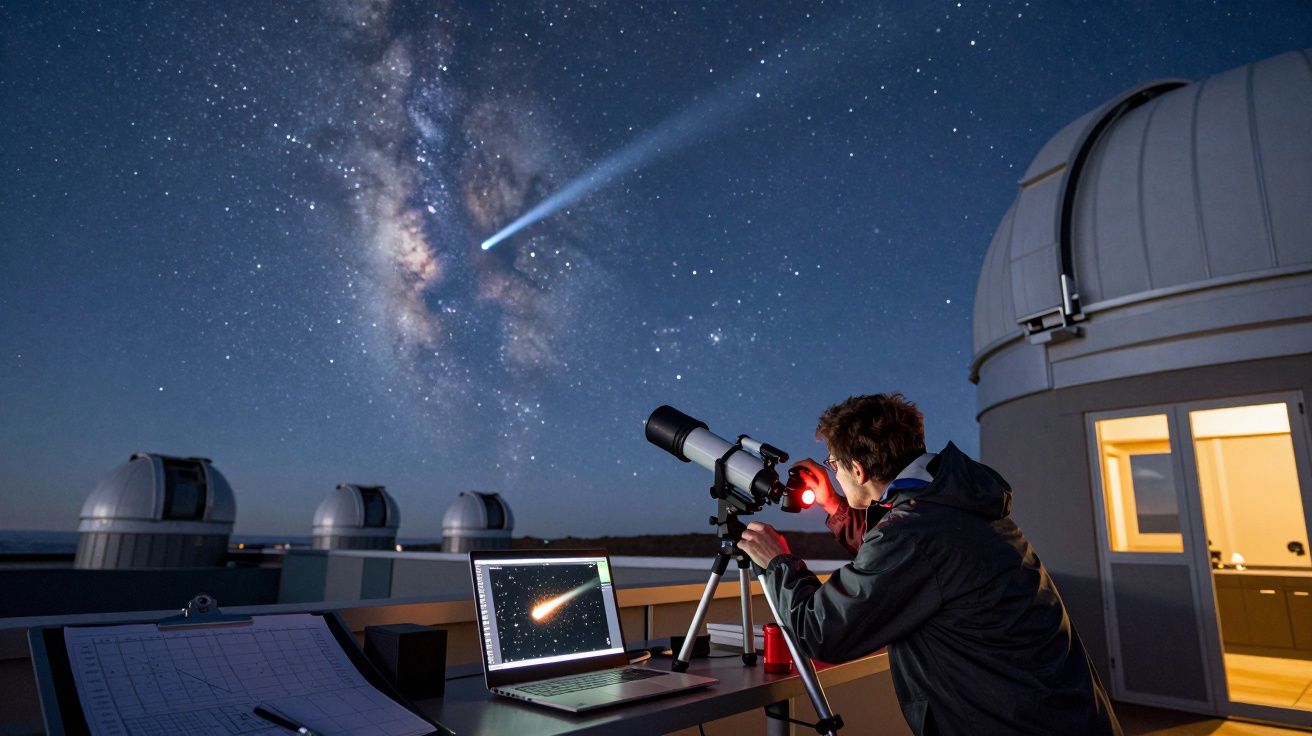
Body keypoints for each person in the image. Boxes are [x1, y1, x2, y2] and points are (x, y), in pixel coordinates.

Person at [736, 393, 1121, 736]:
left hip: (1011, 721)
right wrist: (834, 505)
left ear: (858, 470)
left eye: (834, 464)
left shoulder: (914, 532)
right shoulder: (952, 499)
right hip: (1055, 711)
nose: (833, 472)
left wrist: (777, 562)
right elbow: (903, 561)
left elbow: (822, 633)